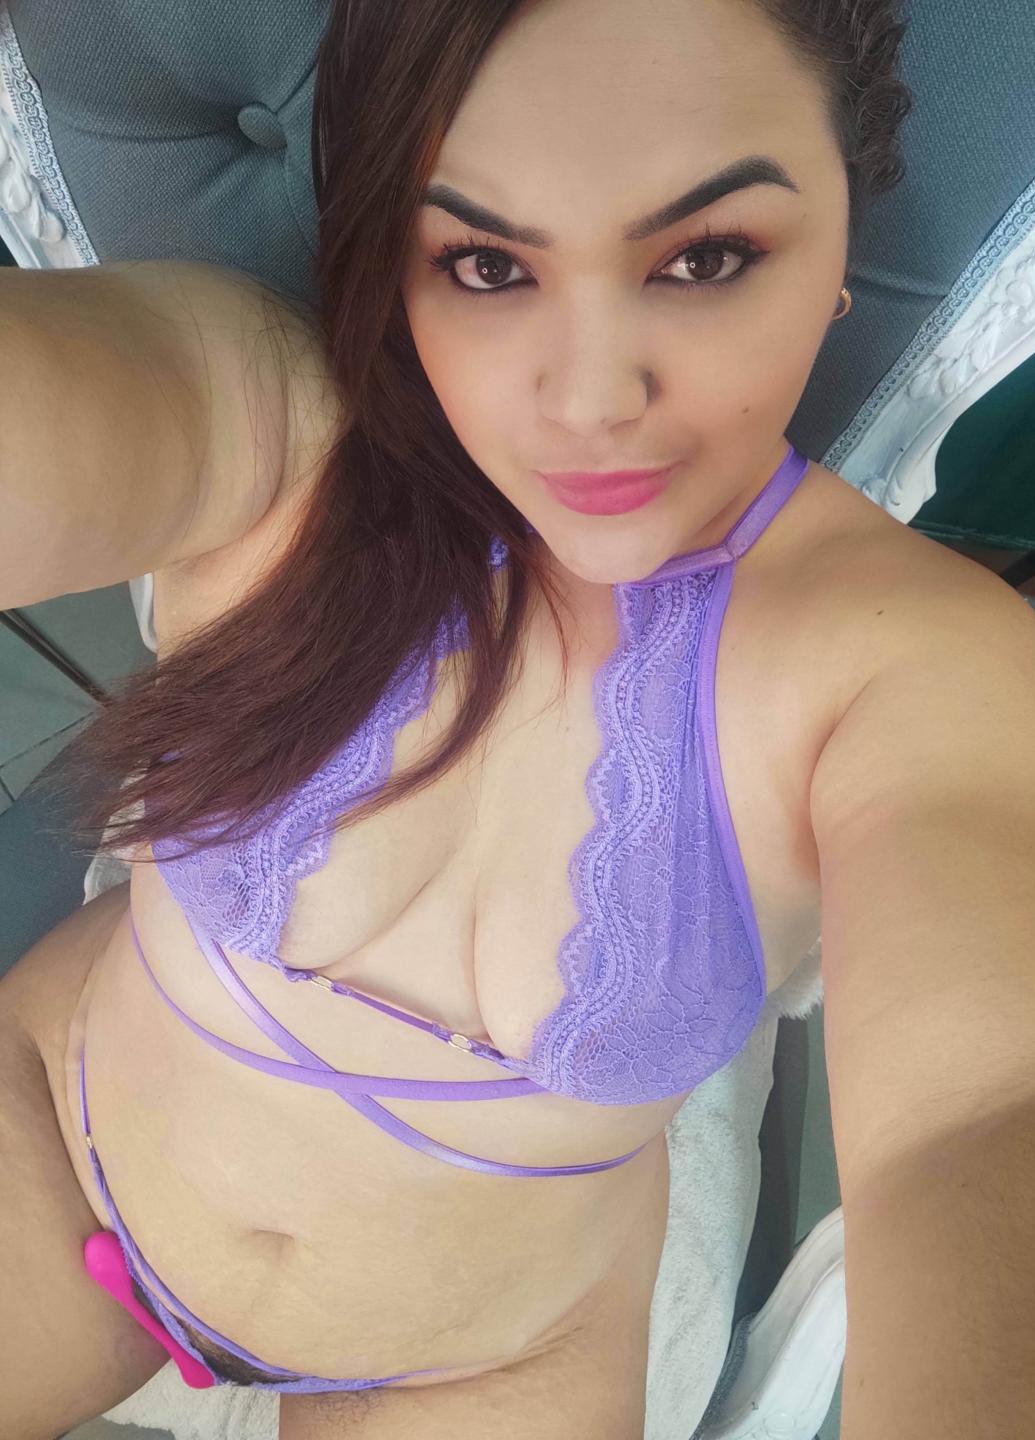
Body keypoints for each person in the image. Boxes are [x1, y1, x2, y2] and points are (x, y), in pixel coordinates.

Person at [0, 0, 917, 1435]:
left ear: (841, 238)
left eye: (704, 257)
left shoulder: (900, 660)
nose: (591, 399)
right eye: (487, 263)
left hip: (495, 1352)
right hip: (63, 1136)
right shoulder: (276, 424)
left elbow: (1008, 1107)